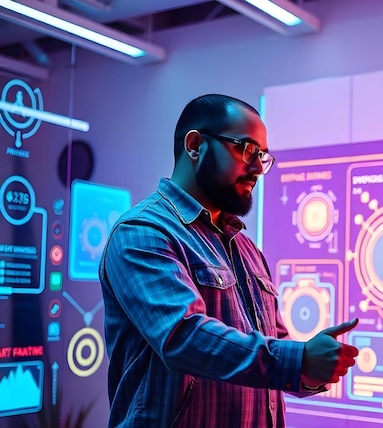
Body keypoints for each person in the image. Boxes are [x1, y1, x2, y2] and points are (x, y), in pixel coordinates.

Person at [99, 93, 359, 427]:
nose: (257, 169)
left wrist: (310, 370)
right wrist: (298, 360)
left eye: (262, 157)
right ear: (195, 145)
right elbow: (184, 338)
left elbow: (272, 346)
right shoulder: (142, 233)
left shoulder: (247, 249)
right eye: (247, 149)